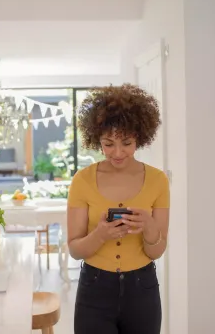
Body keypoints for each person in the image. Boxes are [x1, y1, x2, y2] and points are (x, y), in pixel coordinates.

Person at [67, 83, 170, 334]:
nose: (118, 152)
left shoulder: (158, 180)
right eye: (108, 143)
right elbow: (74, 249)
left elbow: (156, 251)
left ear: (139, 137)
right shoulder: (82, 180)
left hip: (142, 289)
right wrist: (100, 235)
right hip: (94, 289)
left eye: (126, 142)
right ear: (97, 140)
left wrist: (149, 227)